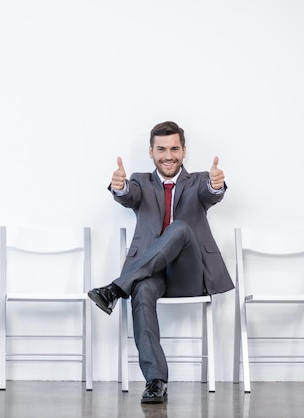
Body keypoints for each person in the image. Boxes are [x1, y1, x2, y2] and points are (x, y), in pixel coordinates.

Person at [88, 121, 235, 404]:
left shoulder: (199, 181)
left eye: (174, 149)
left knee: (179, 228)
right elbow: (128, 195)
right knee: (141, 291)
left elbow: (210, 193)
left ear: (184, 151)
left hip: (188, 275)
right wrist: (118, 187)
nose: (168, 155)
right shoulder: (141, 182)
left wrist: (216, 186)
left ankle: (116, 290)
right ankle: (156, 381)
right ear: (151, 152)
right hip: (151, 276)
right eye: (162, 149)